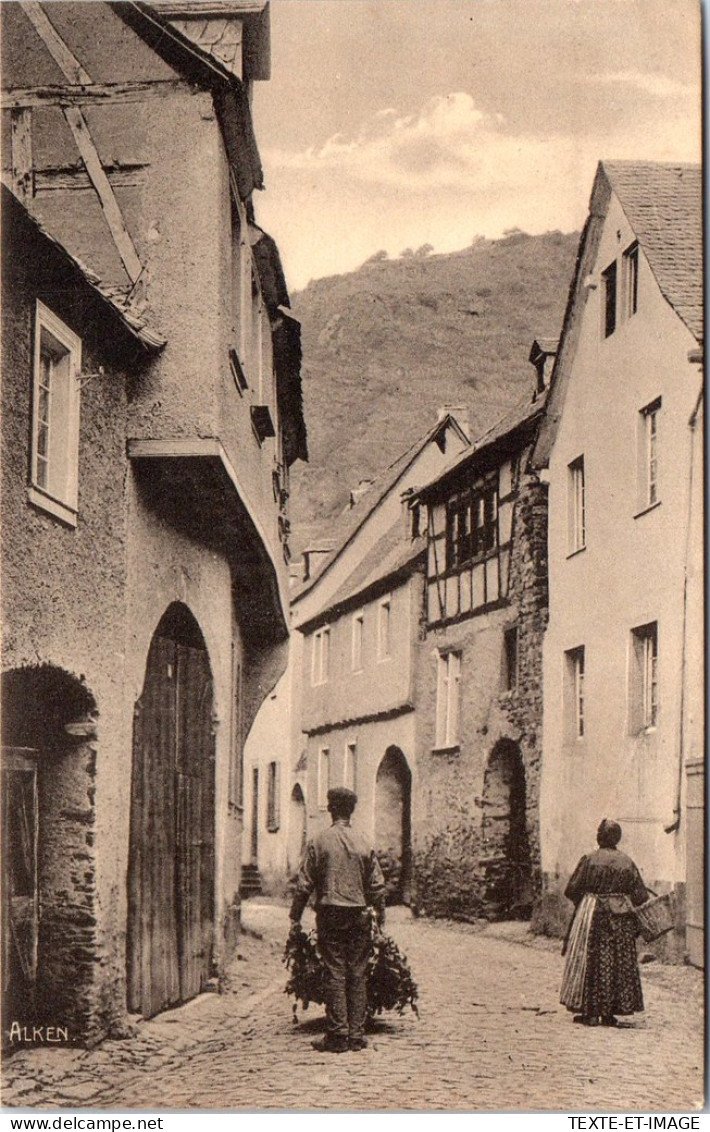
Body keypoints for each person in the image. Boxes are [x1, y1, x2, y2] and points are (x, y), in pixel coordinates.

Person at [289, 786, 386, 1053]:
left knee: (335, 971)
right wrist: (382, 920)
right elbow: (377, 886)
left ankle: (337, 1035)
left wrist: (295, 918)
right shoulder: (364, 841)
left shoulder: (319, 842)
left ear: (331, 809)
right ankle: (356, 1034)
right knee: (357, 972)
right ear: (351, 811)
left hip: (331, 915)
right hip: (359, 915)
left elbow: (304, 885)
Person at [560, 818, 648, 1027]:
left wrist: (585, 901)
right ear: (617, 838)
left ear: (599, 837)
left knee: (591, 961)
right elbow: (640, 896)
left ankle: (591, 1013)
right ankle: (610, 1013)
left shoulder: (589, 859)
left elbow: (571, 889)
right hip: (620, 917)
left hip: (592, 915)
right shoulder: (627, 861)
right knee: (617, 962)